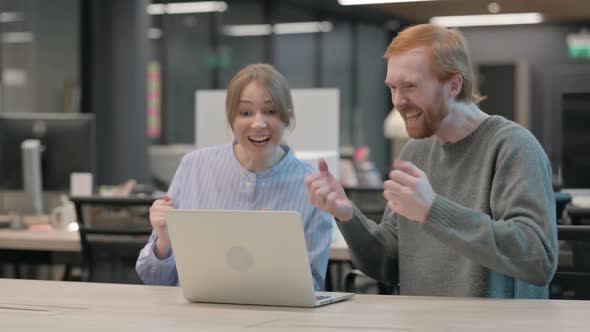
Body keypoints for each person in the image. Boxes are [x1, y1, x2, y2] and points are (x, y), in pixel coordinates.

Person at [305, 24, 557, 298]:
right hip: (422, 322)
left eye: (410, 86)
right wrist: (347, 215)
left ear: (454, 85)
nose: (398, 101)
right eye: (392, 88)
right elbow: (389, 264)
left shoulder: (513, 147)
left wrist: (433, 210)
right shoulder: (415, 153)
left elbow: (539, 260)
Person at [136, 63, 333, 290]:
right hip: (196, 318)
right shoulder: (194, 167)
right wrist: (164, 240)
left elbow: (312, 288)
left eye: (271, 112)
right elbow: (153, 279)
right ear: (231, 118)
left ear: (288, 117)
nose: (258, 123)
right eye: (245, 113)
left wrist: (273, 254)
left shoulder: (312, 185)